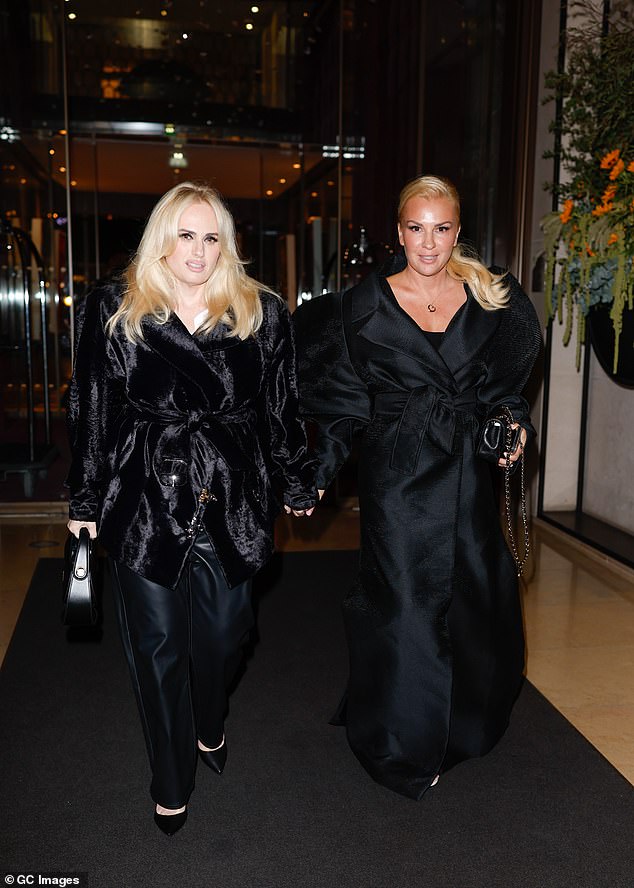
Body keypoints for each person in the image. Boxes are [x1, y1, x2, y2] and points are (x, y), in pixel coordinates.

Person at [66, 181, 317, 834]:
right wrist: (86, 496)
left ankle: (211, 719)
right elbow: (91, 403)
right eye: (186, 234)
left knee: (226, 635)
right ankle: (171, 779)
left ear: (227, 245)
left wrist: (295, 478)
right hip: (144, 493)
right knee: (156, 649)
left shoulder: (260, 311)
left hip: (233, 490)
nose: (199, 251)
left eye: (212, 237)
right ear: (161, 238)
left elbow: (283, 405)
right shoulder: (115, 307)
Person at [294, 175, 541, 800]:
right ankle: (401, 743)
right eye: (414, 227)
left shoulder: (492, 300)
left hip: (464, 478)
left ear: (458, 231)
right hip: (398, 477)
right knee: (403, 604)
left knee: (474, 598)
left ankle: (464, 720)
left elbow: (502, 395)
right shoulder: (362, 308)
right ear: (396, 230)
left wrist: (510, 428)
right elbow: (344, 405)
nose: (427, 242)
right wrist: (316, 473)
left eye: (441, 228)